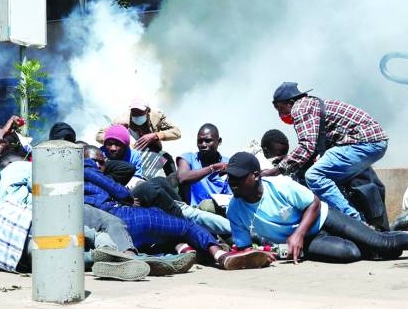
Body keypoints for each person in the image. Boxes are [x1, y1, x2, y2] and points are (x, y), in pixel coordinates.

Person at [225, 152, 408, 264]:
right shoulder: (235, 210)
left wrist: (297, 233)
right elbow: (244, 249)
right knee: (352, 255)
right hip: (308, 241)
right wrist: (258, 256)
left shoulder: (280, 186)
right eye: (230, 178)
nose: (232, 183)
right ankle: (373, 245)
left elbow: (313, 203)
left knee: (380, 242)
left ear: (255, 176)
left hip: (323, 218)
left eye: (237, 178)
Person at [82, 147, 268, 270]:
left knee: (169, 230)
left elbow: (126, 169)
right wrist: (92, 164)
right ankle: (221, 255)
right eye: (97, 161)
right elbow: (122, 187)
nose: (101, 165)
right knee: (186, 225)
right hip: (129, 218)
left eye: (102, 161)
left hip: (115, 234)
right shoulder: (86, 169)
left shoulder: (62, 187)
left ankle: (182, 251)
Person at [263, 82, 388, 222]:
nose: (281, 114)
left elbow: (306, 147)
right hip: (371, 141)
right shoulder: (311, 104)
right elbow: (315, 145)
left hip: (365, 142)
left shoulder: (300, 108)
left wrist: (277, 170)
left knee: (314, 175)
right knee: (326, 176)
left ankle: (354, 221)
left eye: (281, 108)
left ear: (291, 102)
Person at [95, 96, 181, 153]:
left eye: (140, 112)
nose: (136, 114)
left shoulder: (157, 116)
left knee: (168, 161)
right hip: (130, 152)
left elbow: (176, 132)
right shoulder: (122, 120)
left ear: (148, 110)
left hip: (154, 150)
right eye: (134, 112)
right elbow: (99, 136)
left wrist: (155, 136)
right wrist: (120, 140)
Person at [176, 123, 230, 206]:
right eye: (200, 141)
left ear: (219, 141)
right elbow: (182, 178)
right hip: (193, 212)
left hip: (218, 213)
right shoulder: (188, 158)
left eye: (208, 141)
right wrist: (212, 168)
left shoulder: (228, 164)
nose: (203, 145)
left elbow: (231, 196)